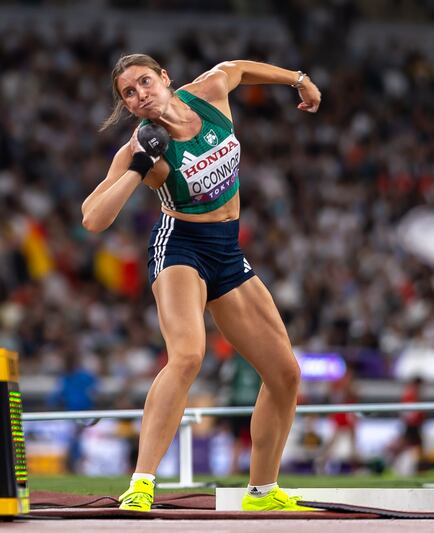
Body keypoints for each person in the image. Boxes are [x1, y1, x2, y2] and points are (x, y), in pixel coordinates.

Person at [82, 53, 321, 511]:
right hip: (180, 248)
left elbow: (238, 67)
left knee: (285, 373)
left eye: (145, 82)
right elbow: (93, 218)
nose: (140, 96)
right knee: (188, 354)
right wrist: (137, 166)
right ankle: (142, 483)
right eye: (128, 94)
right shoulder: (140, 148)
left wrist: (299, 80)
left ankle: (263, 492)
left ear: (165, 78)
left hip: (227, 251)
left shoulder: (209, 93)